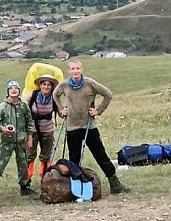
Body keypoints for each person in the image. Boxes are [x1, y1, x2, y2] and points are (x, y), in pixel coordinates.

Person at [52, 60, 131, 194]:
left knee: (100, 154)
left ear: (81, 70)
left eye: (77, 68)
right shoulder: (64, 85)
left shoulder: (90, 83)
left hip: (89, 125)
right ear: (68, 71)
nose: (75, 71)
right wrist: (61, 110)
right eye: (72, 69)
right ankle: (75, 188)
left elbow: (108, 94)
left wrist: (98, 111)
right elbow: (55, 95)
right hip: (72, 127)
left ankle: (115, 184)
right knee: (74, 158)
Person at [0, 80, 36, 196]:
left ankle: (24, 186)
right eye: (11, 88)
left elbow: (29, 122)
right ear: (8, 91)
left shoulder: (23, 106)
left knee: (23, 165)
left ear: (19, 91)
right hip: (7, 141)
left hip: (21, 141)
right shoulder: (2, 107)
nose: (14, 90)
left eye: (16, 88)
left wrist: (29, 138)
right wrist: (3, 129)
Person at [27, 74, 59, 185]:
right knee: (30, 154)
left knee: (46, 155)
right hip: (32, 129)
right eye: (44, 84)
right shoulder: (33, 96)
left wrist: (65, 112)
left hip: (48, 129)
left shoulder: (54, 98)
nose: (46, 87)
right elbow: (25, 111)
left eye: (49, 85)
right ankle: (26, 180)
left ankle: (44, 179)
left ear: (52, 87)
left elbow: (60, 111)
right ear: (40, 85)